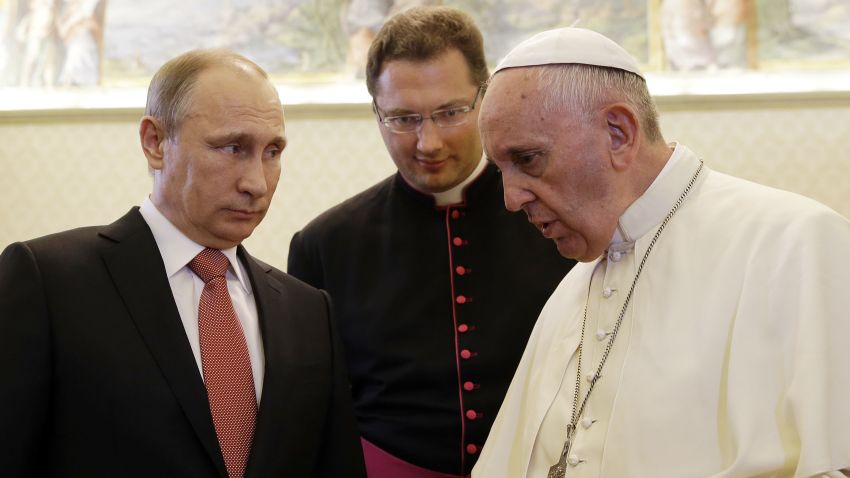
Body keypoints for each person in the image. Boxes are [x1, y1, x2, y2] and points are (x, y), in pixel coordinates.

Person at [472, 27, 850, 477]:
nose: (511, 199)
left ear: (618, 132)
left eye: (529, 159)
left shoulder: (796, 242)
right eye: (501, 169)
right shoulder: (573, 288)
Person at [0, 48, 366, 478]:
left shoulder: (308, 312)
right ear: (155, 142)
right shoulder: (49, 282)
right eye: (232, 147)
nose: (257, 183)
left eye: (272, 151)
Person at [288, 6, 574, 477]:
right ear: (375, 112)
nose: (429, 142)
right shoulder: (325, 245)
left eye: (450, 112)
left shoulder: (555, 218)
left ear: (485, 97)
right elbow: (311, 412)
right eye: (402, 118)